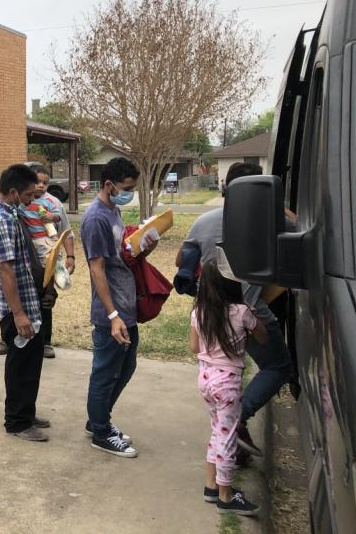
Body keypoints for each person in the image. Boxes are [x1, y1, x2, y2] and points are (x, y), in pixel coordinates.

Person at [176, 162, 294, 460]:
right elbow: (305, 238)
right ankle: (238, 417)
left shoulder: (203, 221)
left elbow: (182, 260)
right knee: (278, 367)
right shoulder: (275, 221)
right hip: (250, 313)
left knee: (220, 373)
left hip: (209, 314)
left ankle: (228, 435)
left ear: (227, 188)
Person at [82, 157, 157, 458]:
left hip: (126, 306)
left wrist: (142, 248)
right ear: (109, 185)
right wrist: (112, 316)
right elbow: (97, 269)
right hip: (110, 313)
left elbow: (117, 258)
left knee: (126, 367)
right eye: (127, 188)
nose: (130, 193)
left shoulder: (113, 211)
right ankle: (100, 432)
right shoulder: (96, 218)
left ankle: (99, 419)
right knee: (105, 372)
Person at [189, 259, 267, 517]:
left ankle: (211, 486)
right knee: (228, 438)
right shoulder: (241, 312)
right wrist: (255, 317)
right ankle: (226, 495)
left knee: (217, 432)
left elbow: (194, 347)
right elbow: (263, 337)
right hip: (227, 385)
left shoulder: (199, 311)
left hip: (205, 380)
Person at [0, 164, 51, 441]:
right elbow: (6, 270)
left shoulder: (9, 211)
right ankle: (18, 422)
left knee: (31, 360)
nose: (32, 201)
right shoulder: (3, 221)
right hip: (16, 307)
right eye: (28, 196)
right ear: (13, 192)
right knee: (21, 363)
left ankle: (26, 411)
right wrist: (19, 314)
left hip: (27, 301)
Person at [0, 163, 76, 359]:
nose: (39, 187)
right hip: (23, 259)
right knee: (12, 296)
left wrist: (71, 256)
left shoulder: (53, 203)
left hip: (44, 251)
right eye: (36, 183)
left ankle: (44, 341)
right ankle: (7, 338)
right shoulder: (15, 207)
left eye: (44, 183)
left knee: (44, 297)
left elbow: (66, 230)